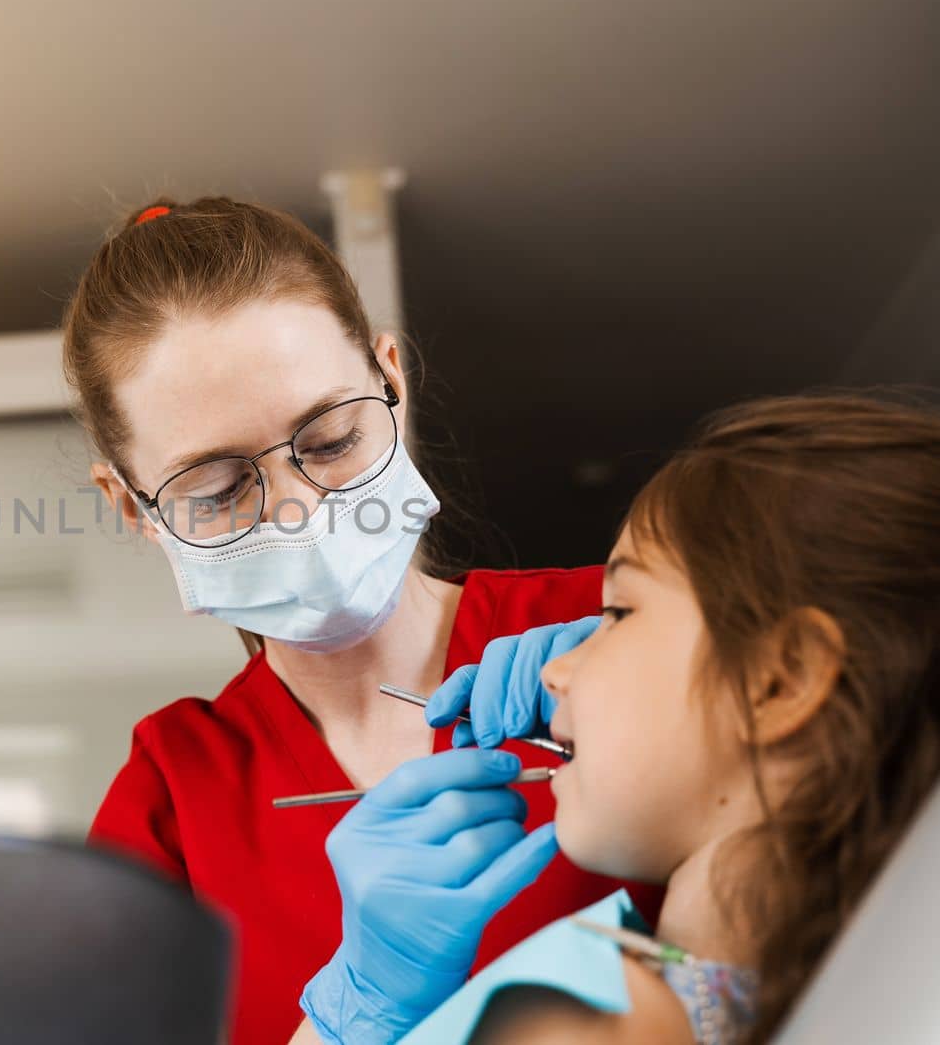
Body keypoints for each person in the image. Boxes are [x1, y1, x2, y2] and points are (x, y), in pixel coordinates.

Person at [63, 196, 660, 1045]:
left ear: (391, 378)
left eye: (331, 438)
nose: (302, 513)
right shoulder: (171, 805)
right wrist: (354, 1011)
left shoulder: (620, 620)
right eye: (220, 491)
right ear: (132, 505)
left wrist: (686, 675)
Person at [296, 392, 940, 1043]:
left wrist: (354, 1012)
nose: (555, 668)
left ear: (780, 680)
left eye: (618, 612)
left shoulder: (587, 1018)